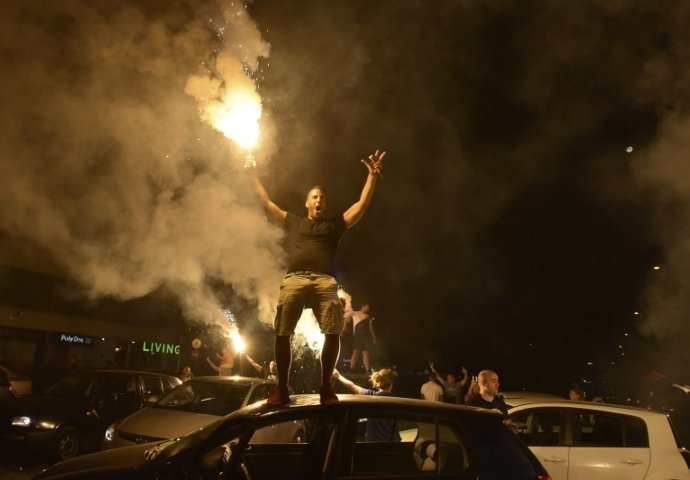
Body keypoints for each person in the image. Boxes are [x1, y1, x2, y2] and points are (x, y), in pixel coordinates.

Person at [249, 149, 386, 405]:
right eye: (314, 196)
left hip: (324, 281)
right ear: (307, 203)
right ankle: (282, 388)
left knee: (332, 333)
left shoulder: (333, 225)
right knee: (282, 332)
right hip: (295, 279)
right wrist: (252, 174)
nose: (319, 199)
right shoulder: (294, 222)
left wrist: (372, 176)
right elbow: (267, 203)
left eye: (322, 197)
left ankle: (325, 387)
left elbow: (361, 205)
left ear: (326, 204)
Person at [333, 368, 400, 441]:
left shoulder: (371, 396)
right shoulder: (397, 401)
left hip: (372, 445)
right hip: (392, 445)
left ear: (378, 382)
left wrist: (338, 376)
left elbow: (352, 385)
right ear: (391, 384)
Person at [350, 303, 377, 373]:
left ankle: (367, 370)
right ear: (363, 307)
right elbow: (346, 312)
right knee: (355, 352)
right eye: (367, 307)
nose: (368, 309)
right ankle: (351, 369)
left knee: (366, 353)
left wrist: (374, 337)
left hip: (366, 337)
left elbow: (370, 327)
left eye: (369, 308)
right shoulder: (355, 313)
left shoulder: (368, 316)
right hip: (357, 336)